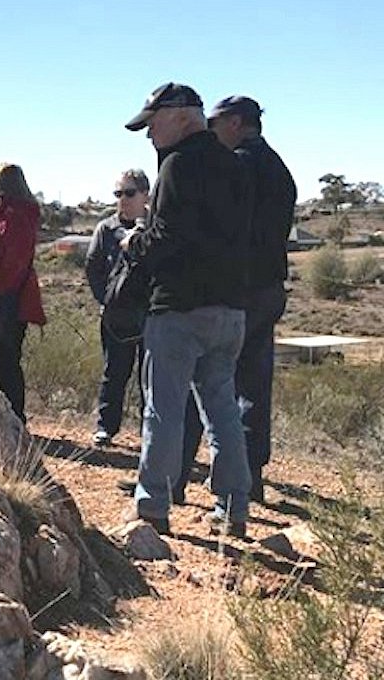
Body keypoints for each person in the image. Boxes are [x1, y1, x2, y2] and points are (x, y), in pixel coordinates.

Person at [121, 82, 254, 537]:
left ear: (181, 116)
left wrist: (135, 242)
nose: (148, 134)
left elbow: (167, 238)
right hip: (231, 308)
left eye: (152, 123)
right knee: (222, 408)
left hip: (179, 308)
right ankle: (234, 509)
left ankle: (153, 509)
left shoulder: (178, 165)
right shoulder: (236, 166)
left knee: (165, 410)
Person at [176, 96, 297, 504]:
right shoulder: (278, 168)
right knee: (252, 384)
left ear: (236, 123)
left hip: (233, 289)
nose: (209, 131)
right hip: (267, 289)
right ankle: (249, 479)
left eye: (215, 123)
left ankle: (175, 479)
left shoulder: (237, 167)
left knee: (201, 377)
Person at [0, 163, 46, 420]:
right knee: (1, 356)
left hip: (8, 299)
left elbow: (12, 260)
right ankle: (11, 414)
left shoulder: (15, 216)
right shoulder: (9, 213)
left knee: (4, 357)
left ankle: (14, 417)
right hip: (6, 297)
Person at [85, 169, 150, 446]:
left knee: (150, 379)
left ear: (145, 194)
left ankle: (152, 434)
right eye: (118, 193)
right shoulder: (105, 229)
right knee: (114, 373)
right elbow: (93, 267)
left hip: (149, 315)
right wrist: (106, 299)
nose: (122, 199)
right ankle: (106, 427)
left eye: (129, 193)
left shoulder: (155, 227)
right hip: (116, 315)